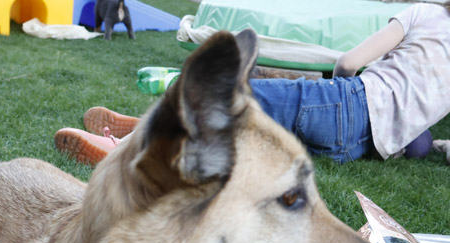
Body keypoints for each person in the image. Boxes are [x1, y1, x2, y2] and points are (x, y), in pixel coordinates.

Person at [55, 2, 450, 166]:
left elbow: (349, 62)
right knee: (245, 130)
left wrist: (342, 87)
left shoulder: (424, 13)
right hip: (357, 149)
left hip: (347, 105)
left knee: (222, 94)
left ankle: (118, 146)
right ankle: (149, 124)